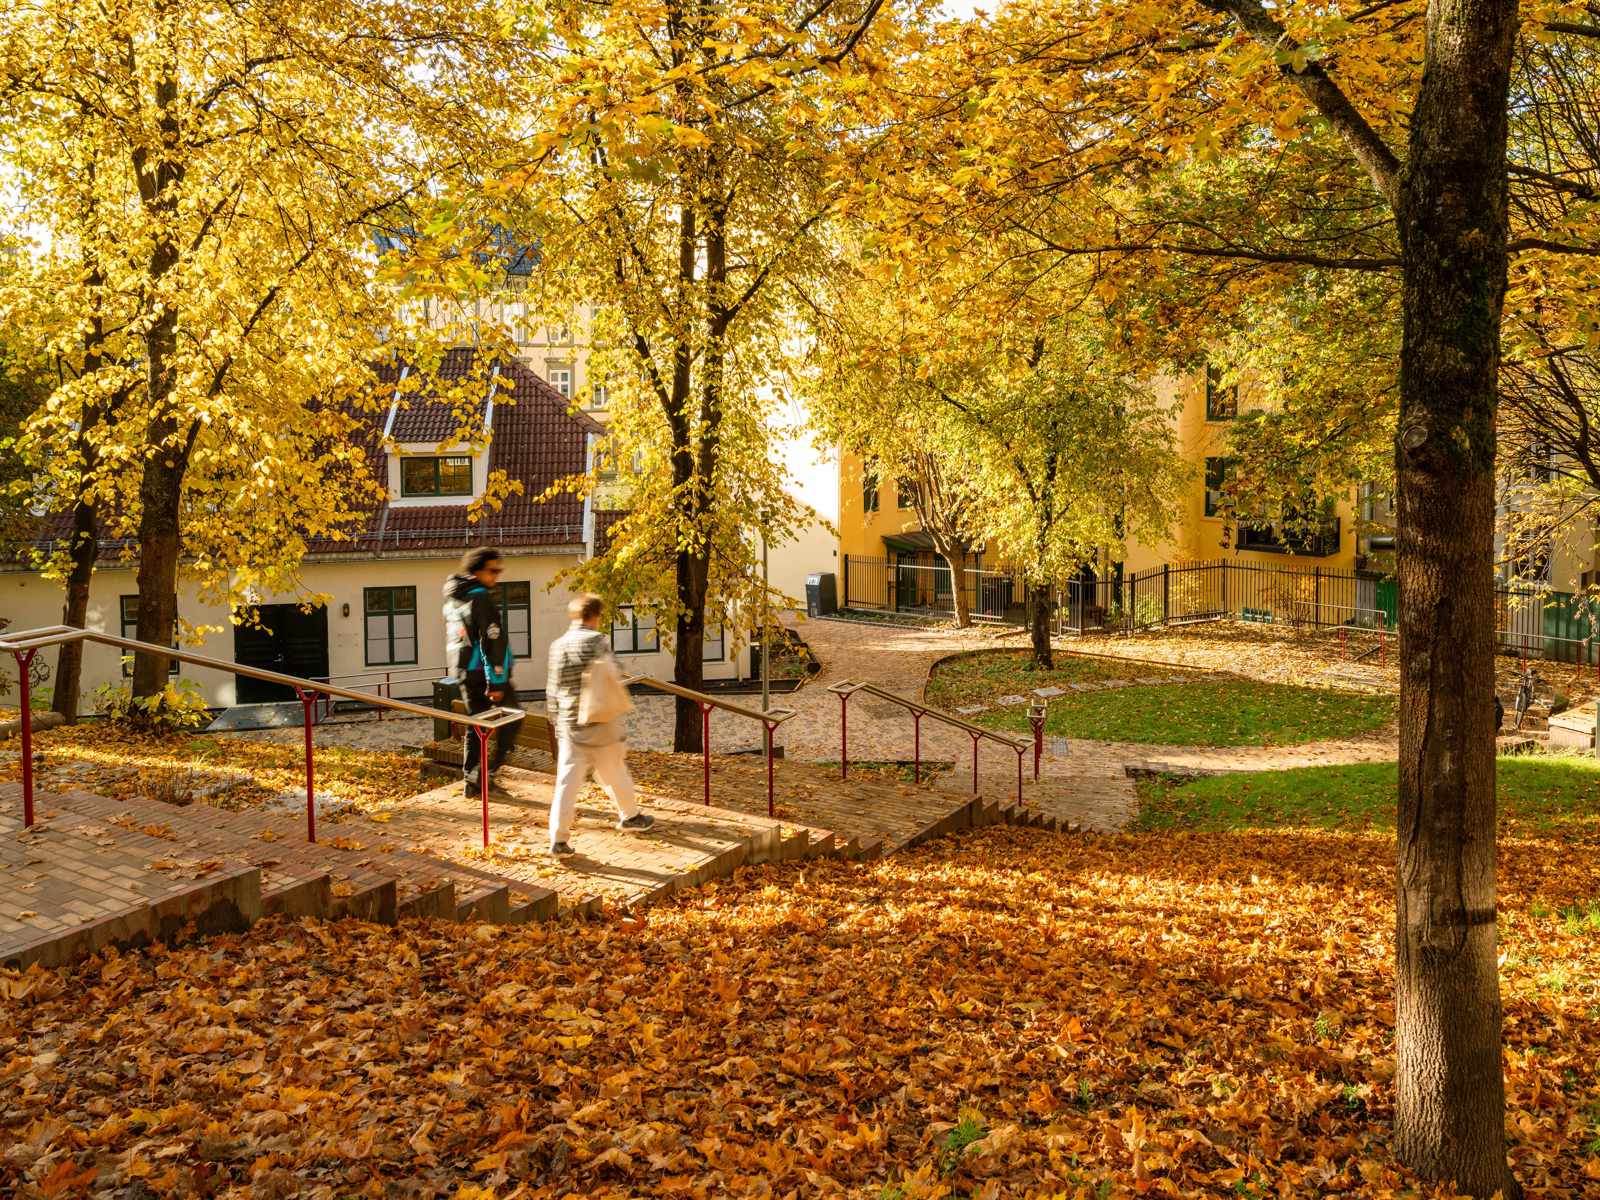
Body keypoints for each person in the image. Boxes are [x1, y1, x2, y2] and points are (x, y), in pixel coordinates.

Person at [546, 594, 653, 855]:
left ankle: (558, 839)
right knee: (615, 770)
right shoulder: (598, 641)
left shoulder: (558, 645)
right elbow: (614, 673)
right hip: (600, 720)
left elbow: (552, 689)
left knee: (567, 782)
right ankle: (630, 816)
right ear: (595, 616)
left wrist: (557, 721)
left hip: (570, 724)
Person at [444, 547, 525, 797]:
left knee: (476, 725)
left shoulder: (455, 597)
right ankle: (486, 774)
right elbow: (491, 640)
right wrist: (497, 682)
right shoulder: (480, 597)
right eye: (493, 571)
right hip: (483, 673)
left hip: (463, 670)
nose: (496, 576)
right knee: (512, 718)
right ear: (478, 571)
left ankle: (473, 781)